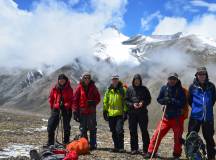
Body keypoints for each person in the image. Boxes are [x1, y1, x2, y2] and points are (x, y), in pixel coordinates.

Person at [145, 73, 186, 160]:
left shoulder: (180, 90)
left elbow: (182, 103)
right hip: (166, 118)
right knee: (157, 134)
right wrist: (164, 101)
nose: (172, 80)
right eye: (170, 79)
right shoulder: (164, 88)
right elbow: (159, 99)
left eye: (174, 79)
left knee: (177, 138)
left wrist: (171, 100)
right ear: (168, 79)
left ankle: (176, 154)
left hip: (177, 118)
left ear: (177, 80)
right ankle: (151, 151)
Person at [188, 67, 216, 160]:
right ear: (196, 75)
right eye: (199, 74)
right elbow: (190, 100)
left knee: (209, 138)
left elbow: (213, 100)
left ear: (206, 75)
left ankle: (211, 157)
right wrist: (197, 109)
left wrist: (206, 109)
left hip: (208, 117)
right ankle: (193, 156)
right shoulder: (192, 87)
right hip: (195, 117)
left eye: (203, 74)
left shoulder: (211, 86)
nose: (201, 76)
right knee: (192, 137)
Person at [73, 72, 100, 150]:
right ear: (83, 78)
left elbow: (98, 98)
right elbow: (75, 100)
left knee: (92, 129)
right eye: (85, 78)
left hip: (91, 112)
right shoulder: (79, 87)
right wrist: (75, 111)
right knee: (83, 129)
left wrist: (93, 102)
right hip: (82, 112)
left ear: (90, 79)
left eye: (88, 78)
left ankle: (93, 145)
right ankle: (85, 145)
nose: (87, 79)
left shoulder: (93, 87)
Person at [125, 74, 151, 155]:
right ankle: (134, 149)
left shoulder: (144, 89)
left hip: (142, 113)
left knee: (144, 131)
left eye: (138, 80)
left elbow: (149, 99)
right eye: (135, 80)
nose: (137, 81)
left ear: (140, 81)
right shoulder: (129, 89)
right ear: (133, 81)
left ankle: (146, 149)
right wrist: (132, 105)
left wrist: (143, 103)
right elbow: (126, 101)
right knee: (133, 131)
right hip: (132, 114)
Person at [103, 74, 128, 153]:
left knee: (119, 131)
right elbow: (105, 101)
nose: (114, 80)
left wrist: (125, 111)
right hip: (111, 114)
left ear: (118, 80)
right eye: (113, 79)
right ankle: (116, 147)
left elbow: (125, 101)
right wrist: (105, 111)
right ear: (111, 80)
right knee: (113, 131)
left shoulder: (122, 89)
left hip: (119, 114)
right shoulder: (109, 90)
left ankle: (121, 147)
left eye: (116, 79)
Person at [47, 74, 73, 146]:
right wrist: (53, 107)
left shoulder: (69, 89)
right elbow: (51, 98)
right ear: (58, 80)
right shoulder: (55, 88)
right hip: (56, 109)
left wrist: (65, 105)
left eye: (63, 79)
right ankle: (50, 143)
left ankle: (66, 142)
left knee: (66, 126)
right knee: (51, 126)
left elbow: (71, 100)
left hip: (66, 110)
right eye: (60, 79)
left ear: (65, 80)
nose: (61, 81)